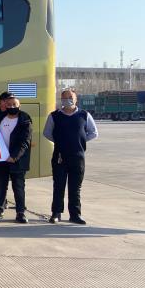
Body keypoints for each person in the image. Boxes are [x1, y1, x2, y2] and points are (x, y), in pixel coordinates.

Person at [43, 88, 98, 224]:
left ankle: (75, 215)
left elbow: (93, 133)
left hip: (77, 157)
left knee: (75, 188)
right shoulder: (54, 116)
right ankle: (56, 213)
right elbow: (47, 133)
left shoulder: (84, 115)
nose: (67, 100)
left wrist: (80, 141)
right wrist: (61, 142)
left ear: (76, 99)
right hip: (60, 157)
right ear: (61, 100)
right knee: (58, 186)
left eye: (70, 97)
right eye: (64, 98)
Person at [0, 97, 32, 223]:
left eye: (14, 104)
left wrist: (14, 156)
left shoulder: (25, 120)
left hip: (17, 160)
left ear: (19, 105)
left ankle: (20, 213)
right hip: (1, 160)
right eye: (9, 104)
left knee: (18, 187)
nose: (12, 106)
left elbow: (25, 141)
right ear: (4, 105)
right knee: (1, 187)